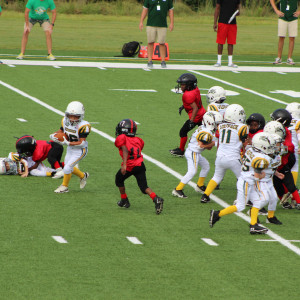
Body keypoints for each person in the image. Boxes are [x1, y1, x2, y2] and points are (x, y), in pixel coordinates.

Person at [209, 132, 281, 234]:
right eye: (269, 146)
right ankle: (217, 214)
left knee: (260, 200)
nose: (272, 148)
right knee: (240, 206)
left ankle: (253, 225)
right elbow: (257, 175)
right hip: (247, 181)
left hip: (246, 180)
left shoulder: (251, 149)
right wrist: (263, 175)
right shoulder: (261, 158)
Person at [200, 104, 248, 203]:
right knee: (243, 178)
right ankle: (242, 199)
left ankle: (205, 195)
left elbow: (218, 136)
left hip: (220, 157)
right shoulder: (243, 127)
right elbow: (244, 142)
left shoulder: (221, 126)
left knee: (216, 177)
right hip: (234, 157)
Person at [115, 119, 164, 214]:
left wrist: (124, 164)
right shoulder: (139, 140)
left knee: (118, 179)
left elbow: (125, 149)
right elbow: (140, 148)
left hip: (130, 165)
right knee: (144, 187)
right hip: (140, 164)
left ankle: (124, 200)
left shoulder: (121, 137)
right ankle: (156, 198)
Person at [172, 111, 223, 198]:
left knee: (206, 165)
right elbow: (203, 146)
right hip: (193, 152)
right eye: (216, 123)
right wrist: (215, 143)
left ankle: (200, 185)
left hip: (194, 151)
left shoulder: (204, 127)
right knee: (192, 171)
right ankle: (178, 189)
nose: (217, 125)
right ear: (210, 122)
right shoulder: (206, 132)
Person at [50, 101, 90, 193]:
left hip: (80, 150)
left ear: (81, 116)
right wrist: (55, 135)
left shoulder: (84, 125)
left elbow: (82, 143)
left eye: (76, 116)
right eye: (70, 116)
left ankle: (64, 187)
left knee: (67, 168)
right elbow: (61, 131)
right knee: (67, 168)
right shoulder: (65, 120)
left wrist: (68, 143)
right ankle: (83, 176)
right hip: (70, 149)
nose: (72, 119)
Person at [170, 73, 206, 157]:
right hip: (202, 114)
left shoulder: (187, 95)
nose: (181, 86)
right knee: (210, 133)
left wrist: (191, 121)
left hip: (196, 117)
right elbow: (195, 101)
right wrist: (184, 106)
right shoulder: (195, 89)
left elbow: (195, 108)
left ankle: (181, 150)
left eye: (183, 84)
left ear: (189, 85)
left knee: (183, 132)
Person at [139, 0, 174, 68]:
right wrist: (141, 21)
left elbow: (170, 10)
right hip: (151, 24)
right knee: (150, 42)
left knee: (162, 43)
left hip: (162, 24)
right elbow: (145, 9)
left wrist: (172, 23)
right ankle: (149, 61)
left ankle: (163, 61)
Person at [270, 0, 300, 65]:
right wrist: (276, 10)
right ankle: (279, 58)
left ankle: (289, 58)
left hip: (293, 18)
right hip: (282, 17)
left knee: (292, 38)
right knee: (281, 37)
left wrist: (299, 12)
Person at [213, 0, 241, 67]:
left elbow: (238, 8)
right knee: (220, 42)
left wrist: (237, 12)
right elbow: (217, 8)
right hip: (222, 22)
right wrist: (215, 22)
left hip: (232, 23)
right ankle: (219, 61)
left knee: (231, 42)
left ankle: (230, 62)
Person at [286, 102, 300, 184]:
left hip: (282, 148)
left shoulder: (283, 120)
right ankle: (292, 189)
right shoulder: (298, 122)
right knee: (294, 167)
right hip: (293, 149)